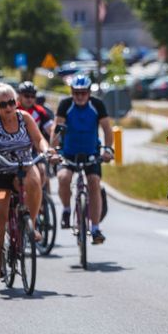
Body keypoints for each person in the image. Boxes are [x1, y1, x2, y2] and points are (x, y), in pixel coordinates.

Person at [0, 83, 52, 283]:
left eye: (11, 102)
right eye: (3, 105)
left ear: (16, 102)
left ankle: (31, 224)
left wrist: (46, 150)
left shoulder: (24, 118)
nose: (9, 107)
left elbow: (39, 139)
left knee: (35, 181)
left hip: (22, 166)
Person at [51, 75, 113, 244]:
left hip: (91, 152)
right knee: (63, 178)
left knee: (94, 182)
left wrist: (108, 149)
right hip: (68, 153)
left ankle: (95, 228)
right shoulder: (66, 104)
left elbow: (107, 129)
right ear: (71, 92)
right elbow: (56, 129)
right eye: (76, 93)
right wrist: (54, 151)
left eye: (83, 93)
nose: (79, 96)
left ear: (89, 92)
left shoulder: (97, 104)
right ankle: (66, 209)